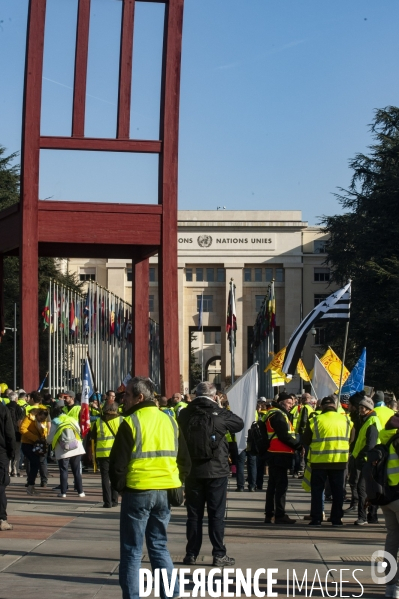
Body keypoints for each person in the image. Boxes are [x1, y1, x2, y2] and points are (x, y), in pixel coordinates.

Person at [109, 376, 191, 599]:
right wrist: (177, 480)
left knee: (132, 550)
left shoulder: (131, 421)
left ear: (139, 397)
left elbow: (117, 463)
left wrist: (119, 488)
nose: (122, 399)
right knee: (159, 546)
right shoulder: (170, 421)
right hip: (165, 492)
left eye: (127, 395)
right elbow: (185, 460)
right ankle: (171, 594)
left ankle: (132, 596)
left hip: (138, 490)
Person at [178, 381, 244, 566]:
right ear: (214, 396)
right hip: (216, 471)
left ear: (195, 394)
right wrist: (220, 406)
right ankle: (219, 554)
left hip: (192, 471)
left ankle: (191, 553)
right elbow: (239, 424)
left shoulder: (185, 413)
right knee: (216, 514)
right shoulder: (220, 414)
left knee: (194, 515)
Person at [302, 396, 352, 526]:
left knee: (318, 491)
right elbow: (352, 439)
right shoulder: (346, 420)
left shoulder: (315, 420)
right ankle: (336, 519)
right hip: (339, 461)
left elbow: (306, 440)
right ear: (335, 406)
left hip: (319, 461)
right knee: (338, 491)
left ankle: (317, 518)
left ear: (322, 407)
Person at [263, 392, 302, 524]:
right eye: (289, 402)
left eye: (292, 403)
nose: (291, 405)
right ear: (281, 402)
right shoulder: (278, 415)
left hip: (274, 453)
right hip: (279, 454)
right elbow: (284, 435)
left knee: (273, 485)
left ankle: (270, 514)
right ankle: (279, 515)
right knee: (281, 486)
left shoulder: (273, 413)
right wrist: (298, 446)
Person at [352, 396, 381, 525]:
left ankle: (363, 517)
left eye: (363, 408)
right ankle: (370, 516)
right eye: (360, 407)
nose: (361, 410)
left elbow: (371, 444)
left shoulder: (372, 421)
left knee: (362, 488)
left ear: (369, 408)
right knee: (367, 489)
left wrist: (360, 455)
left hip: (367, 460)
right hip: (365, 459)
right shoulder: (367, 420)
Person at [48, 406, 86, 498]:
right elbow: (79, 430)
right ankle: (80, 492)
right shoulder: (72, 419)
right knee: (76, 471)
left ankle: (63, 492)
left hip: (63, 450)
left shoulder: (55, 421)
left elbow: (49, 439)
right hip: (76, 448)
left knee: (63, 470)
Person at [92, 402, 123, 508]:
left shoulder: (98, 421)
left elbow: (93, 437)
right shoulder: (121, 420)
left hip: (102, 453)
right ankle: (115, 500)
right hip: (116, 452)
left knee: (105, 478)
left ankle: (107, 502)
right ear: (116, 410)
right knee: (114, 476)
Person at [20, 408, 49, 495]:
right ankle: (30, 486)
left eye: (44, 419)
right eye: (41, 418)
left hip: (37, 445)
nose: (42, 420)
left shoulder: (42, 421)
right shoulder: (29, 418)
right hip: (27, 443)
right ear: (37, 414)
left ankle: (31, 485)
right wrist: (34, 438)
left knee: (35, 464)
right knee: (35, 463)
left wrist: (43, 437)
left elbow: (44, 431)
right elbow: (22, 429)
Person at [0, 400, 15, 530]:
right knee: (0, 486)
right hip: (1, 452)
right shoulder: (3, 410)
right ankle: (1, 518)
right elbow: (9, 433)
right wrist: (12, 453)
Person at [6, 392, 24, 477]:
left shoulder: (5, 407)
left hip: (6, 433)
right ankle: (15, 470)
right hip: (16, 433)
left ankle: (8, 470)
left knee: (8, 451)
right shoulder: (18, 408)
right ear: (16, 399)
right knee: (17, 452)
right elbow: (20, 421)